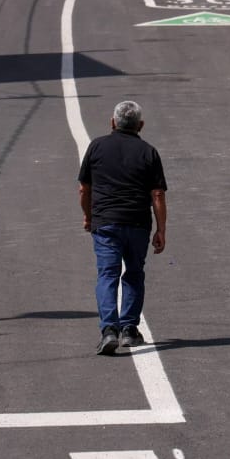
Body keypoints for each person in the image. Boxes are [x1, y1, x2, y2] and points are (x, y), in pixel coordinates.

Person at [78, 100, 167, 356]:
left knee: (108, 274)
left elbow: (84, 188)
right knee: (134, 273)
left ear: (112, 122)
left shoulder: (97, 147)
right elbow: (157, 194)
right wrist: (161, 229)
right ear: (140, 125)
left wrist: (88, 216)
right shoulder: (148, 151)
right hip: (138, 223)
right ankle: (129, 328)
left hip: (105, 222)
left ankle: (109, 330)